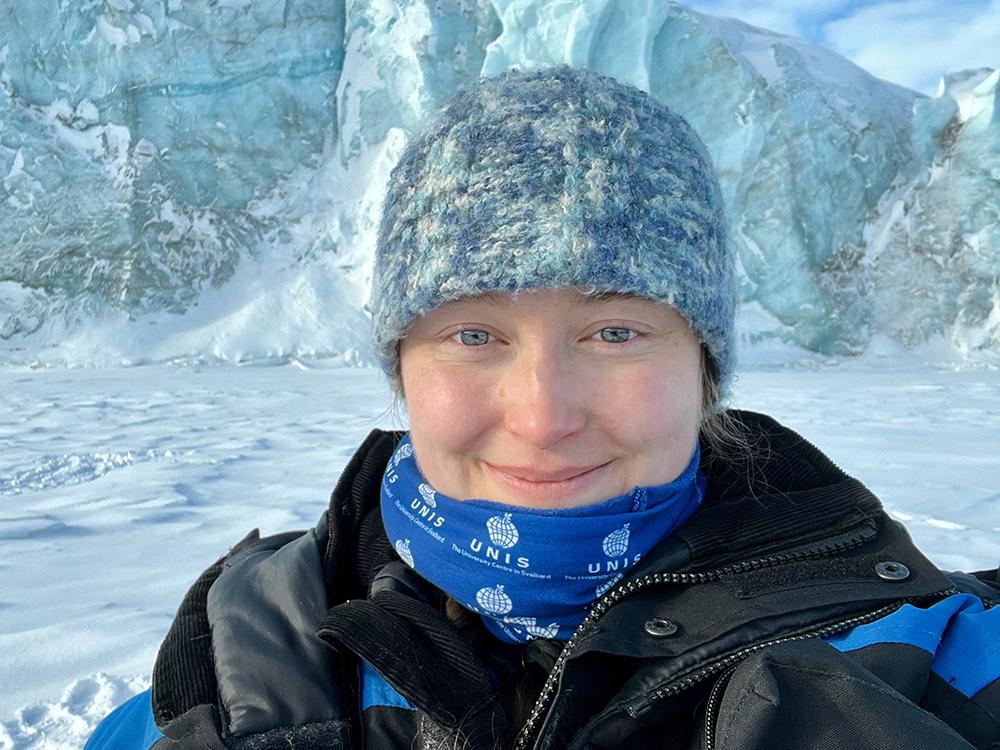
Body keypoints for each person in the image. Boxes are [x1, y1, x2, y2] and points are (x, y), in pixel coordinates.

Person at [86, 66, 1000, 750]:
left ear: (704, 369)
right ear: (402, 367)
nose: (542, 417)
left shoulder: (920, 660)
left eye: (615, 333)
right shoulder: (232, 682)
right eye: (473, 335)